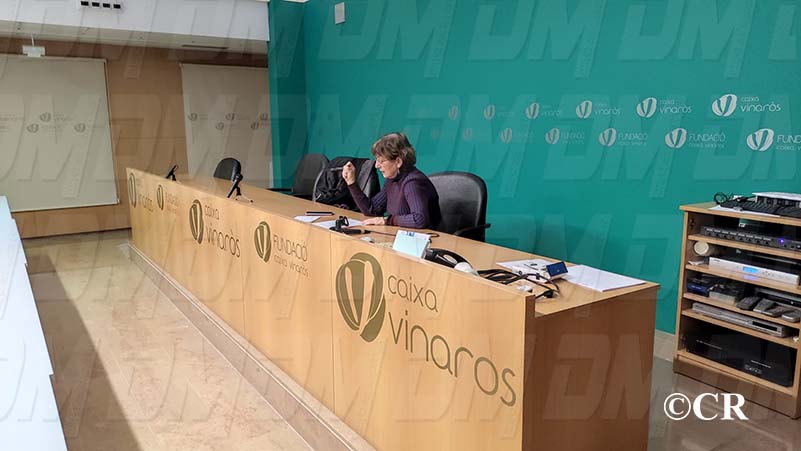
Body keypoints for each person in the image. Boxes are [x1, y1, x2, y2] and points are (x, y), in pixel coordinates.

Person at [342, 132, 441, 229]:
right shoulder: (392, 179)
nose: (376, 165)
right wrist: (352, 183)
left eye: (381, 161)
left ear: (398, 162)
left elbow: (419, 220)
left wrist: (387, 220)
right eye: (377, 160)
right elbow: (371, 210)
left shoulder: (413, 182)